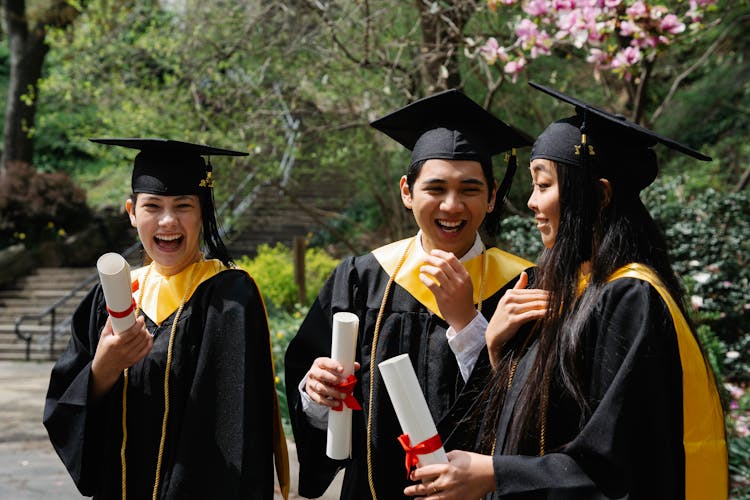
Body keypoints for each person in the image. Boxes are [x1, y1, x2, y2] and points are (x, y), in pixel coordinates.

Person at [404, 83, 728, 499]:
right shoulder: (568, 288)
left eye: (544, 185)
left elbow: (621, 461)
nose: (532, 203)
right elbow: (547, 421)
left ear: (599, 194)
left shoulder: (630, 298)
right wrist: (497, 349)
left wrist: (497, 474)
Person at [284, 89, 535, 500]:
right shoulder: (360, 278)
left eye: (469, 190)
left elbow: (532, 411)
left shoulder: (524, 284)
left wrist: (469, 324)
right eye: (435, 188)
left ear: (492, 197)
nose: (451, 206)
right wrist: (316, 395)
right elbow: (318, 402)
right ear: (407, 191)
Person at [43, 138, 289, 499]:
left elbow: (236, 429)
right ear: (131, 211)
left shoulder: (230, 297)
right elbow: (65, 412)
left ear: (203, 210)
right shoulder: (112, 297)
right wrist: (103, 369)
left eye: (183, 206)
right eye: (152, 206)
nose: (168, 220)